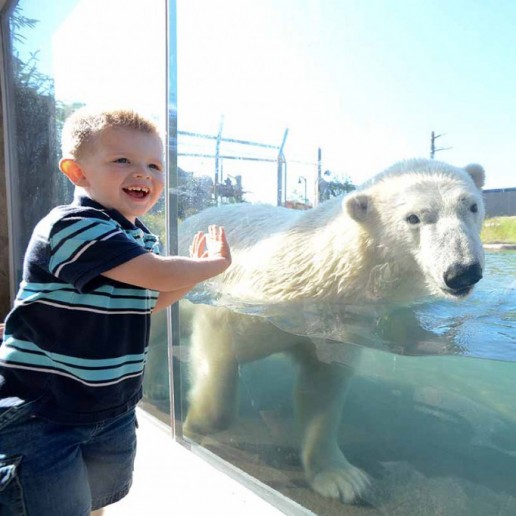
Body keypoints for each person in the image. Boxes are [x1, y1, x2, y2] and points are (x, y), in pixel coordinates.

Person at [0, 107, 232, 515]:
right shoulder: (72, 225)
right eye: (122, 160)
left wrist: (189, 278)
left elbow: (146, 302)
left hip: (111, 408)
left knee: (93, 502)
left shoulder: (141, 238)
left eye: (154, 164)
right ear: (77, 172)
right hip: (43, 412)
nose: (143, 172)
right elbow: (156, 275)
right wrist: (211, 266)